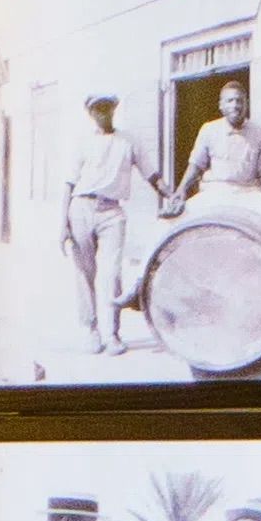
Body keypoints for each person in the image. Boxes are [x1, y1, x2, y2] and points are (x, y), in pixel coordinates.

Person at [62, 93, 164, 352]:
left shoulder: (128, 141)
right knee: (84, 273)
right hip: (81, 208)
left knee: (112, 273)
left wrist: (170, 194)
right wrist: (62, 223)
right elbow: (69, 183)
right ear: (90, 113)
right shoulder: (83, 143)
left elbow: (151, 174)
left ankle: (112, 335)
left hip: (112, 212)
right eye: (97, 108)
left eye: (107, 107)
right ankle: (91, 330)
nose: (103, 112)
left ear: (115, 109)